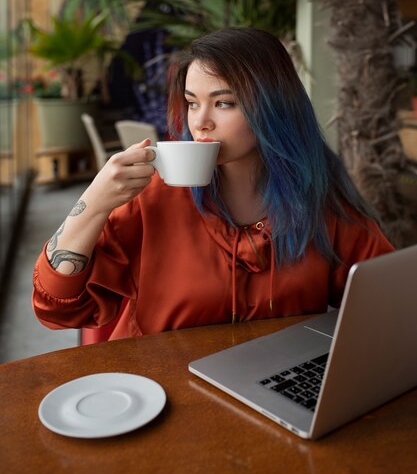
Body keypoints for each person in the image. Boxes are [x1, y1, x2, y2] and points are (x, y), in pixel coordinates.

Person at [32, 27, 394, 342]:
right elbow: (56, 309)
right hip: (160, 392)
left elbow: (389, 299)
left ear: (273, 107)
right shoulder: (151, 197)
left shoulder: (320, 199)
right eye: (192, 104)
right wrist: (94, 204)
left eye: (223, 103)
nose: (200, 123)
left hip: (273, 397)